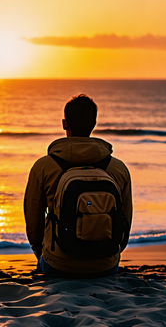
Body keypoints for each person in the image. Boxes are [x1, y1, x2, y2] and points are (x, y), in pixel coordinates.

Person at [24, 94, 132, 278]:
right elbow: (125, 221)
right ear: (94, 124)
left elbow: (33, 221)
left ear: (65, 123)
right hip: (106, 265)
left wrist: (41, 250)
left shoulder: (43, 167)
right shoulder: (118, 168)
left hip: (58, 265)